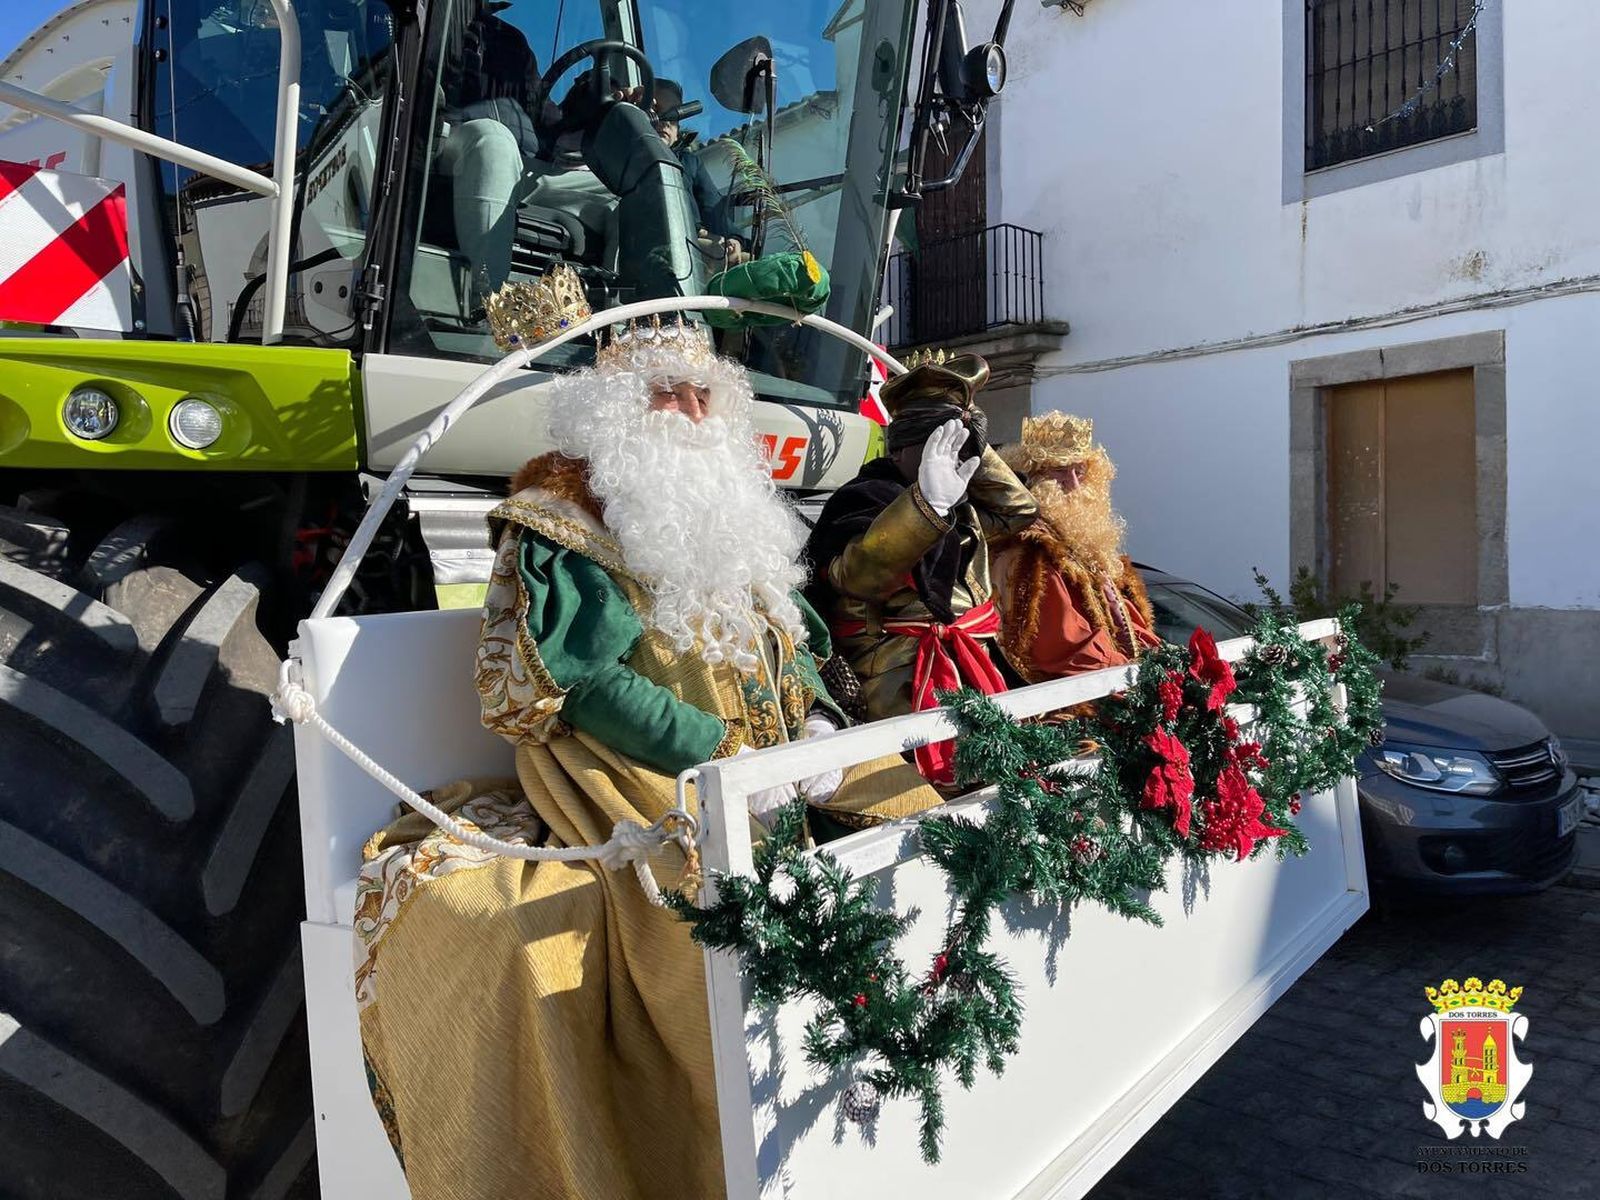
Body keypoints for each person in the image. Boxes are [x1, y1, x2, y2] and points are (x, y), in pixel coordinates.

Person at [353, 303, 940, 1199]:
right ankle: (726, 1160)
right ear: (611, 406)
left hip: (778, 761)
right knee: (699, 935)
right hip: (641, 780)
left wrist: (819, 725)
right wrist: (725, 761)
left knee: (915, 813)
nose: (685, 410)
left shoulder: (737, 508)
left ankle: (920, 1073)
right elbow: (583, 682)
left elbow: (801, 637)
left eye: (701, 394)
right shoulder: (560, 510)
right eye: (661, 391)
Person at [805, 351, 1037, 784]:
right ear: (910, 445)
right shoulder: (864, 497)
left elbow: (1019, 512)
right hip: (900, 686)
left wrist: (977, 451)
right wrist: (924, 507)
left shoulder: (957, 502)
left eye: (959, 445)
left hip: (970, 670)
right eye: (942, 442)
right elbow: (859, 574)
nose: (952, 455)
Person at [992, 413, 1162, 682]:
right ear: (1032, 477)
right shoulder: (1031, 549)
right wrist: (1135, 673)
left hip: (1116, 680)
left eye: (1079, 471)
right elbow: (1063, 645)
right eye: (1059, 470)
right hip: (1077, 699)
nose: (1072, 484)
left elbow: (1124, 621)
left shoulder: (1086, 544)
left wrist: (1161, 658)